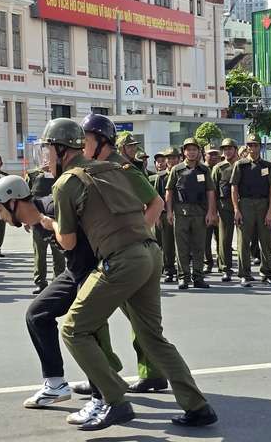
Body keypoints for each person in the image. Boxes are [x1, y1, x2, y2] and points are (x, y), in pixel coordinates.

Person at [35, 118, 217, 431]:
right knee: (153, 337)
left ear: (62, 150)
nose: (46, 157)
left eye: (49, 150)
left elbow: (67, 241)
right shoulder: (113, 168)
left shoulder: (66, 183)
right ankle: (198, 406)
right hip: (149, 252)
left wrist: (43, 220)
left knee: (74, 330)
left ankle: (115, 401)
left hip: (121, 261)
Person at [0, 174, 121, 417]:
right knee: (37, 314)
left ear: (13, 201)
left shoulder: (53, 208)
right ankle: (55, 384)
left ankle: (102, 396)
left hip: (97, 270)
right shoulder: (36, 219)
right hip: (75, 271)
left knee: (83, 327)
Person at [81, 113, 167, 395]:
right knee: (121, 316)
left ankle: (140, 373)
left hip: (129, 253)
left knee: (133, 317)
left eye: (86, 139)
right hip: (111, 251)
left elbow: (156, 202)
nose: (82, 145)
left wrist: (138, 233)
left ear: (101, 141)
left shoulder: (123, 168)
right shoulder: (94, 167)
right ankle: (107, 374)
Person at [166, 138, 217, 289]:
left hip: (200, 213)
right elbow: (169, 192)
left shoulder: (204, 169)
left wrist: (211, 212)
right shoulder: (177, 169)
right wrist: (169, 212)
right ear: (184, 152)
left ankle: (198, 277)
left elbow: (210, 192)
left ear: (199, 152)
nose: (191, 152)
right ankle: (183, 277)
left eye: (194, 149)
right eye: (188, 149)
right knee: (181, 247)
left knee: (199, 246)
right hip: (181, 212)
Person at [231, 133, 271, 287]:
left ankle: (266, 273)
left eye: (255, 145)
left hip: (263, 204)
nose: (253, 148)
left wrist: (270, 210)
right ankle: (244, 274)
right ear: (247, 147)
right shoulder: (241, 165)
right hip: (245, 204)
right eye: (250, 145)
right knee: (243, 241)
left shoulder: (268, 166)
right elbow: (234, 188)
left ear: (260, 147)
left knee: (266, 240)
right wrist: (236, 209)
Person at [25, 163, 66, 294]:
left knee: (58, 252)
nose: (47, 161)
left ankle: (58, 280)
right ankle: (40, 282)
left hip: (56, 216)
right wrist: (26, 219)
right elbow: (26, 198)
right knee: (39, 252)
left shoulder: (62, 174)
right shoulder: (32, 176)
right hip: (37, 218)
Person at [211, 138, 239, 282]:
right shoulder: (218, 168)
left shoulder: (243, 165)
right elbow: (212, 191)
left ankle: (243, 270)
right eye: (225, 149)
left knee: (243, 240)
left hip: (242, 206)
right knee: (224, 240)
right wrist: (213, 211)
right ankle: (225, 268)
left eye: (230, 148)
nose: (227, 151)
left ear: (235, 149)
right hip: (224, 206)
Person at [155, 147, 180, 284]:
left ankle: (183, 271)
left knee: (182, 245)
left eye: (174, 158)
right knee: (167, 245)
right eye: (169, 158)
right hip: (165, 214)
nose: (171, 160)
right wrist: (158, 217)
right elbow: (156, 197)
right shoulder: (161, 177)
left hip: (181, 213)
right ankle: (169, 270)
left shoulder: (183, 173)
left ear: (179, 159)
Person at [203, 145, 220, 273]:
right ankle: (207, 262)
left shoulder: (222, 168)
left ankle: (222, 262)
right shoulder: (201, 169)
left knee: (222, 238)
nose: (213, 156)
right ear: (205, 155)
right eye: (211, 154)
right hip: (204, 209)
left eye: (216, 154)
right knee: (205, 239)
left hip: (221, 208)